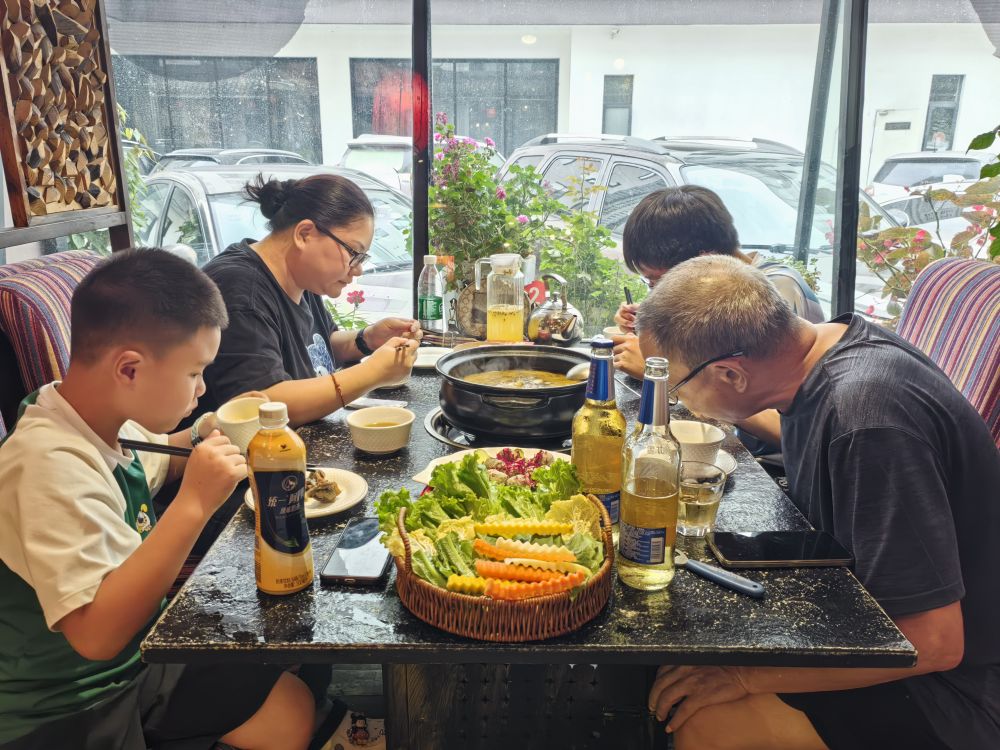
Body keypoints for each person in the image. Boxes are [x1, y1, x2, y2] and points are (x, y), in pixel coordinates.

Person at [636, 255, 1000, 750]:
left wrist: (744, 676)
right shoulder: (825, 349)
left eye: (677, 388)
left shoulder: (867, 422)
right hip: (871, 622)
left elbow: (935, 641)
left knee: (704, 721)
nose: (680, 403)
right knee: (686, 644)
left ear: (730, 374)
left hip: (956, 691)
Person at [0, 250, 316, 750]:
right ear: (129, 369)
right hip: (72, 702)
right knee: (288, 713)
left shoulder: (88, 415)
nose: (203, 387)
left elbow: (158, 456)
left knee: (291, 684)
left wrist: (208, 427)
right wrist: (195, 504)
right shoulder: (44, 464)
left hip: (138, 649)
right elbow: (96, 636)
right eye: (195, 373)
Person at [195, 173, 420, 428]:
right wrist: (373, 372)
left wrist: (367, 339)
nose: (357, 270)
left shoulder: (301, 275)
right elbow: (262, 407)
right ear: (304, 234)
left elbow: (319, 346)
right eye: (354, 253)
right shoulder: (241, 290)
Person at [611, 185, 824, 379]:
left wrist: (656, 371)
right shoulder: (718, 290)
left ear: (703, 260)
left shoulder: (777, 289)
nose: (659, 292)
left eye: (658, 282)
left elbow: (762, 391)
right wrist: (648, 322)